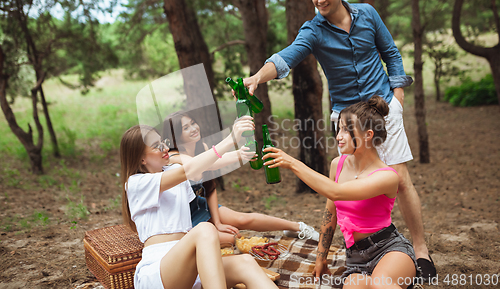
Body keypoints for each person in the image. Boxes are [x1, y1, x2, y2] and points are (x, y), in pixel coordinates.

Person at [243, 0, 436, 281]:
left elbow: (391, 53)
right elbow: (286, 57)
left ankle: (420, 249)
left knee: (400, 178)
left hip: (383, 106)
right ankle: (362, 246)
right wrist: (258, 77)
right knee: (346, 181)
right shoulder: (313, 30)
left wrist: (397, 97)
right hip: (348, 119)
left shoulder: (368, 14)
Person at [263, 96, 420, 288]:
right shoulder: (337, 165)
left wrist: (293, 163)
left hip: (388, 249)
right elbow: (331, 212)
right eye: (339, 129)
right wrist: (321, 257)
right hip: (355, 258)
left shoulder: (387, 176)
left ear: (368, 135)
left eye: (346, 129)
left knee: (381, 284)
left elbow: (336, 192)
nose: (338, 135)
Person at [120, 116, 278, 289]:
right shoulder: (136, 183)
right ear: (141, 159)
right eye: (157, 146)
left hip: (192, 264)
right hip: (159, 271)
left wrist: (243, 153)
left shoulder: (174, 170)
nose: (165, 147)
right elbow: (191, 168)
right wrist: (230, 139)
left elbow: (201, 166)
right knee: (204, 229)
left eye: (163, 142)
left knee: (246, 262)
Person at [164, 111, 320, 244]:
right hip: (182, 217)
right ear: (175, 135)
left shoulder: (201, 148)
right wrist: (233, 142)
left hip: (199, 205)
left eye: (193, 123)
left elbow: (210, 187)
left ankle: (297, 227)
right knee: (233, 238)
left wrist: (217, 222)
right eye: (186, 128)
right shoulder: (172, 157)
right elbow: (197, 169)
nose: (193, 128)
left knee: (243, 220)